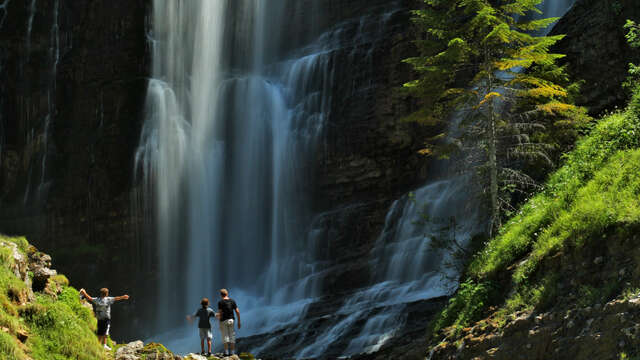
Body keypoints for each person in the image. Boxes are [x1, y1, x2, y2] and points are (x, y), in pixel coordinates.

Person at [218, 288, 241, 356]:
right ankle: (232, 352)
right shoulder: (232, 301)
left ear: (221, 295)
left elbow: (220, 313)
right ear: (227, 294)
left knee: (225, 336)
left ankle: (226, 352)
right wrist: (239, 322)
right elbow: (237, 311)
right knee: (232, 336)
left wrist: (219, 323)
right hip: (231, 320)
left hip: (224, 320)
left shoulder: (220, 302)